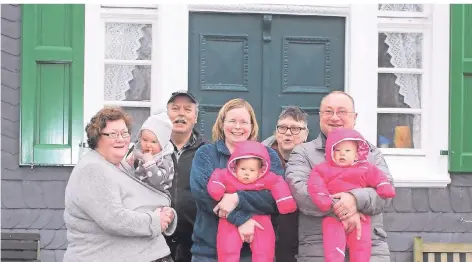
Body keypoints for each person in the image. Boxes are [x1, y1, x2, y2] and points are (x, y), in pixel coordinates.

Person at [285, 91, 394, 261]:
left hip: (371, 247)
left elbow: (386, 192)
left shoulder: (372, 153)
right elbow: (300, 192)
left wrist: (355, 199)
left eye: (342, 112)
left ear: (354, 117)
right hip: (318, 247)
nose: (335, 118)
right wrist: (346, 208)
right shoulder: (303, 153)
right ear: (320, 116)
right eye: (328, 111)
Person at [63, 107, 177, 262]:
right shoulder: (93, 169)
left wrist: (166, 213)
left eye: (124, 133)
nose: (121, 139)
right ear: (97, 137)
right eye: (113, 134)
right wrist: (155, 221)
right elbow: (115, 219)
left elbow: (144, 199)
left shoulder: (122, 165)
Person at [189, 98, 284, 262]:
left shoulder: (269, 157)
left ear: (252, 126)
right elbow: (203, 196)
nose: (238, 127)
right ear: (222, 123)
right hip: (208, 252)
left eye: (244, 122)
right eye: (232, 121)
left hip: (255, 254)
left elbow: (274, 198)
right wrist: (241, 220)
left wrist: (236, 198)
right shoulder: (206, 154)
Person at [307, 127, 395, 262]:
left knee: (361, 244)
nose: (342, 154)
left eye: (347, 151)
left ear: (356, 154)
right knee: (333, 244)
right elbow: (315, 183)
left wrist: (384, 187)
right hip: (333, 215)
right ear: (330, 152)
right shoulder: (323, 169)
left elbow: (379, 178)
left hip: (360, 216)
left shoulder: (365, 168)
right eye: (337, 150)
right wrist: (323, 198)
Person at [208, 140, 297, 262]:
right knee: (227, 247)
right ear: (235, 166)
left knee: (264, 248)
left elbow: (278, 183)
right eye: (243, 168)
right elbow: (217, 177)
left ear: (260, 171)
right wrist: (217, 189)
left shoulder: (267, 178)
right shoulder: (228, 175)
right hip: (231, 218)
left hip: (260, 218)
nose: (246, 173)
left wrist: (285, 201)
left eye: (251, 170)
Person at [262, 106, 309, 262]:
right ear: (276, 132)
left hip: (304, 241)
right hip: (266, 239)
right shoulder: (259, 160)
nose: (288, 133)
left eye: (295, 128)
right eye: (282, 128)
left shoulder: (314, 162)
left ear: (306, 134)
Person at [165, 90, 208, 262]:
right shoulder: (150, 147)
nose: (181, 114)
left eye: (187, 110)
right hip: (155, 239)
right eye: (175, 109)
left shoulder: (207, 151)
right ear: (166, 114)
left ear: (195, 118)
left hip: (195, 240)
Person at [125, 109, 175, 197]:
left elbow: (157, 180)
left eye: (153, 142)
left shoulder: (164, 159)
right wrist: (130, 164)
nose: (148, 145)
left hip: (158, 194)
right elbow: (136, 173)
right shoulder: (140, 152)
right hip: (142, 191)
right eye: (144, 140)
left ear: (162, 144)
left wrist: (150, 163)